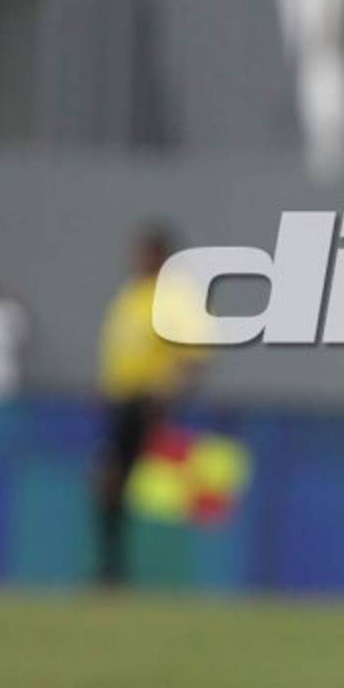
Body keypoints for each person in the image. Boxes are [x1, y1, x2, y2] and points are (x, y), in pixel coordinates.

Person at [95, 226, 206, 584]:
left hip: (151, 406)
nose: (136, 259)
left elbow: (193, 357)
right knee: (110, 485)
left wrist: (166, 397)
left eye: (144, 253)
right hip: (121, 405)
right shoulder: (132, 295)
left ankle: (161, 573)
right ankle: (114, 570)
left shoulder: (174, 297)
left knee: (160, 493)